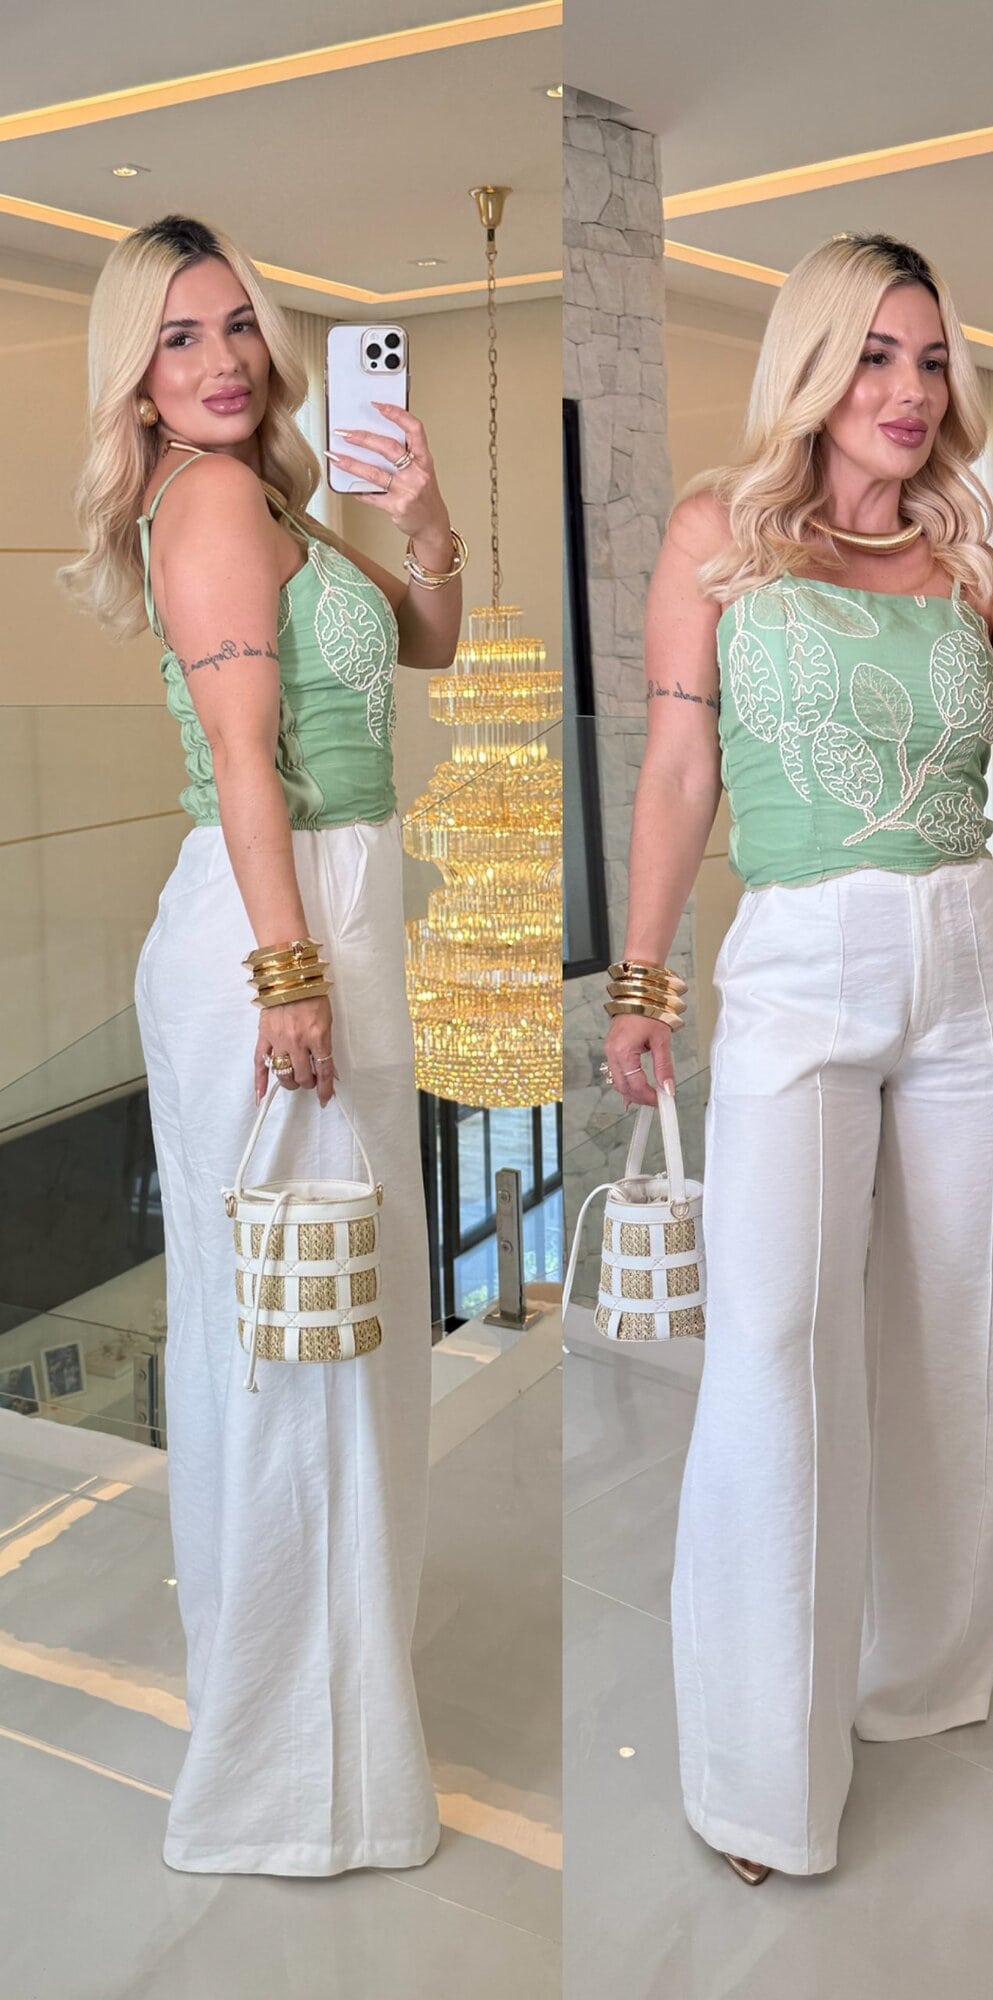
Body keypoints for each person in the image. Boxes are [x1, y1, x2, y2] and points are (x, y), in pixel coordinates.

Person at [601, 232, 993, 1883]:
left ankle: (920, 1678)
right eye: (877, 355)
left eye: (930, 359)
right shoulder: (719, 532)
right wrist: (641, 980)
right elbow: (676, 774)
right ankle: (760, 1776)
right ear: (816, 365)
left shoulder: (970, 560)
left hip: (969, 959)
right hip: (798, 965)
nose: (908, 390)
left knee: (958, 1335)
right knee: (773, 1343)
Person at [60, 214, 465, 1875]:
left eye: (237, 325)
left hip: (320, 918)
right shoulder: (214, 501)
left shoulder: (274, 494)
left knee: (315, 1325)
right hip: (273, 930)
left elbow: (428, 643)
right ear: (136, 377)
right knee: (297, 1339)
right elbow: (245, 758)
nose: (221, 360)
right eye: (179, 338)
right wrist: (290, 972)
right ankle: (288, 1782)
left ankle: (318, 1735)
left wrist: (425, 525)